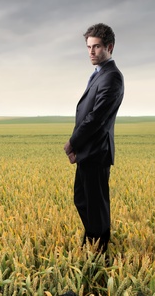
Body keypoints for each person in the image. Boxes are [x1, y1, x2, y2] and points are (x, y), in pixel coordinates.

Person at [64, 23, 124, 253]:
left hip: (97, 151)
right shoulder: (100, 74)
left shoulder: (112, 78)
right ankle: (92, 239)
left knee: (96, 203)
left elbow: (96, 118)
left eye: (96, 47)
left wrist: (72, 143)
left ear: (110, 47)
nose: (91, 52)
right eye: (89, 47)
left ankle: (99, 249)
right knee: (83, 199)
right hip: (89, 151)